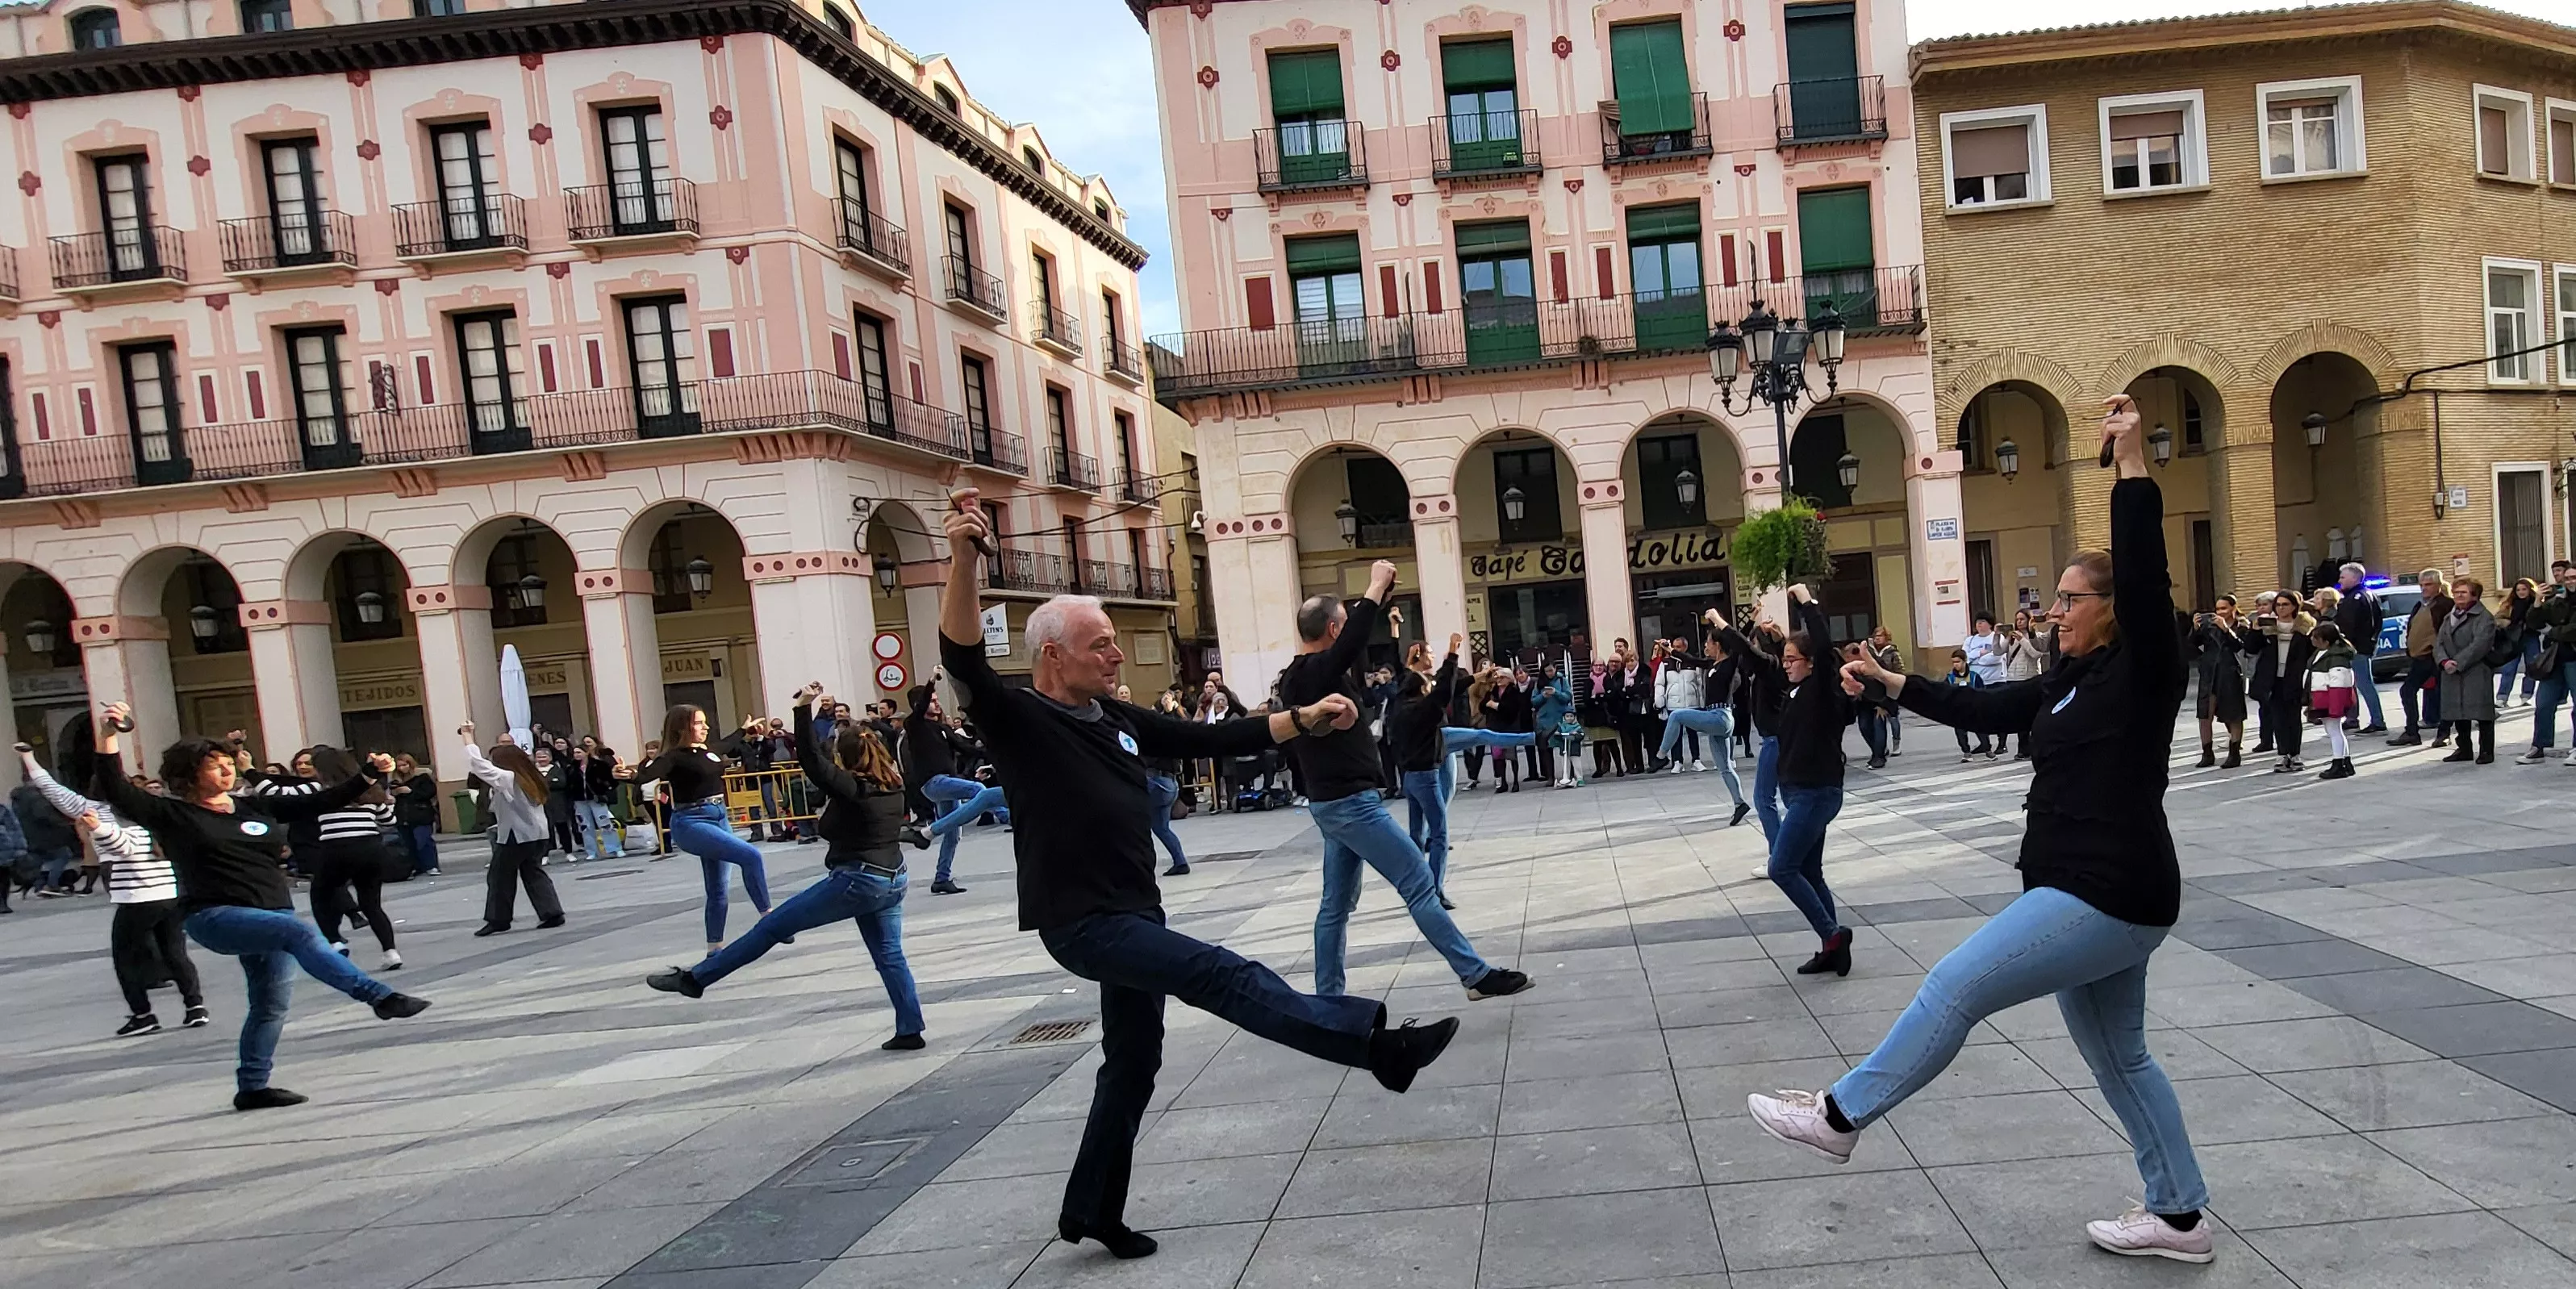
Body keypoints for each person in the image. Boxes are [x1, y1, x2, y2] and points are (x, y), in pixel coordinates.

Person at [933, 491, 1463, 1260]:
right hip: (1082, 922)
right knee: (1219, 974)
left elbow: (1204, 740)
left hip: (1132, 915)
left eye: (1115, 644)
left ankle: (1091, 1210)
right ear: (1053, 654)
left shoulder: (1116, 718)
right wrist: (961, 558)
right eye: (1103, 644)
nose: (1118, 657)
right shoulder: (1020, 719)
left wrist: (1305, 720)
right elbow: (960, 659)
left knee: (1133, 1063)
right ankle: (1376, 1047)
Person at [1756, 396, 2215, 1266]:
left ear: (2111, 608)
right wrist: (1888, 683)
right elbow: (1980, 704)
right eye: (2054, 602)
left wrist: (2130, 464)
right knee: (2122, 1058)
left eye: (2071, 600)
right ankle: (2179, 1216)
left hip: (2106, 889)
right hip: (2096, 888)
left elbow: (2149, 577)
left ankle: (1837, 1115)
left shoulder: (2146, 668)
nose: (2053, 612)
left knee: (1955, 984)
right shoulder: (2065, 679)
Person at [88, 701, 428, 1111]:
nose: (226, 770)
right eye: (214, 765)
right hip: (214, 916)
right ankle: (379, 998)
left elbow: (319, 802)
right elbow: (115, 788)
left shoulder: (254, 806)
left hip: (272, 912)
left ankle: (252, 1087)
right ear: (189, 775)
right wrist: (109, 735)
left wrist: (369, 775)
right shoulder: (171, 813)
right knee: (301, 932)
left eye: (227, 762)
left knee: (270, 1006)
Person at [1278, 561, 1531, 1001]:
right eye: (1346, 625)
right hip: (1351, 805)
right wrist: (1374, 586)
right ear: (1335, 631)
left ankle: (1329, 999)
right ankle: (1475, 975)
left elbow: (1355, 645)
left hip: (1337, 802)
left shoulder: (1309, 675)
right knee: (1418, 881)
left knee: (1335, 906)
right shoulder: (1311, 673)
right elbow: (1353, 640)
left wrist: (1383, 598)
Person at [648, 683, 925, 1049]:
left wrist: (802, 708)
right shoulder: (893, 785)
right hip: (892, 880)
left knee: (772, 926)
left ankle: (696, 980)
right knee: (890, 956)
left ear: (848, 759)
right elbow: (884, 828)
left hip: (858, 880)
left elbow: (810, 759)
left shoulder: (851, 787)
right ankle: (910, 1030)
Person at [20, 740, 207, 1033]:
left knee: (126, 958)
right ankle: (195, 1007)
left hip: (138, 895)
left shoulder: (104, 813)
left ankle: (143, 1015)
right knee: (175, 951)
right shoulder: (150, 809)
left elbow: (122, 846)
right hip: (169, 892)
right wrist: (30, 759)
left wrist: (98, 828)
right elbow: (54, 790)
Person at [1715, 584, 1854, 976]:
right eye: (1787, 658)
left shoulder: (1821, 690)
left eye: (1794, 659)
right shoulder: (1791, 690)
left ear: (1810, 663)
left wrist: (1806, 602)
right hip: (1799, 793)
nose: (1788, 663)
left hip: (1817, 792)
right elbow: (1753, 657)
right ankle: (1832, 948)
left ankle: (1832, 935)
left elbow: (1825, 647)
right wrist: (1725, 627)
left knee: (1781, 868)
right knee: (1810, 871)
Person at [620, 707, 773, 950]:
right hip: (692, 821)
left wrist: (744, 730)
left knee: (717, 889)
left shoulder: (708, 750)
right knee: (751, 856)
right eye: (699, 724)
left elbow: (727, 743)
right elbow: (646, 775)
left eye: (705, 722)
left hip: (719, 818)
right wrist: (627, 774)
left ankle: (715, 949)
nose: (706, 727)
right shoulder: (673, 757)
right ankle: (770, 919)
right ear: (682, 728)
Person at [255, 746, 402, 970]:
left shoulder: (320, 787)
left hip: (337, 847)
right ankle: (390, 952)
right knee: (371, 904)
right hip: (371, 848)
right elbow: (388, 822)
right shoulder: (371, 791)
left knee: (321, 894)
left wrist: (248, 771)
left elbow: (275, 793)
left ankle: (334, 942)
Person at [462, 726, 566, 937]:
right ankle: (551, 912)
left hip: (516, 835)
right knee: (533, 872)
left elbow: (478, 765)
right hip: (537, 834)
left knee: (500, 876)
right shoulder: (530, 776)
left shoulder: (508, 778)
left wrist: (467, 737)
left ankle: (498, 919)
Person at [1392, 635, 1472, 910]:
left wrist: (1397, 639)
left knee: (1417, 835)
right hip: (1426, 776)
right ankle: (1434, 891)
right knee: (1439, 836)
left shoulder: (1401, 702)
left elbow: (1409, 678)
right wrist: (1452, 654)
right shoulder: (1425, 707)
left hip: (1410, 778)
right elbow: (1441, 695)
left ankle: (1415, 886)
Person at [2245, 591, 2316, 774]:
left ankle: (2296, 754)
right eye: (2278, 605)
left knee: (2294, 717)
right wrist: (2254, 630)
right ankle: (2282, 753)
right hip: (2273, 678)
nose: (2281, 608)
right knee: (2277, 717)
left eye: (2285, 604)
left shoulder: (2305, 627)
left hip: (2294, 677)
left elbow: (2311, 652)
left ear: (2295, 606)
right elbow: (2251, 648)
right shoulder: (2268, 626)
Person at [2433, 577, 2498, 765]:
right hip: (2450, 671)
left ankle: (2486, 750)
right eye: (2456, 592)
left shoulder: (2484, 617)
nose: (2458, 596)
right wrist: (2444, 661)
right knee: (2457, 712)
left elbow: (2480, 644)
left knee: (2481, 711)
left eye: (2463, 592)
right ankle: (2464, 749)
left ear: (2474, 595)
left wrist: (2458, 662)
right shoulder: (2449, 616)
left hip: (2476, 669)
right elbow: (2439, 642)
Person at [2517, 560, 2576, 765]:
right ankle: (2539, 747)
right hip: (2555, 659)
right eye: (2567, 578)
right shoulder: (2558, 600)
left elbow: (2572, 630)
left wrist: (2553, 632)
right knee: (2543, 703)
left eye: (2573, 578)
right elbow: (2534, 622)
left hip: (2574, 659)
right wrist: (2538, 602)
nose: (2569, 582)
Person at [2187, 595, 2250, 768]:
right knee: (2205, 713)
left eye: (2224, 608)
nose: (2220, 612)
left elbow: (2240, 646)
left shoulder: (2241, 625)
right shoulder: (2209, 626)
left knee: (2234, 714)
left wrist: (2226, 629)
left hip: (2230, 671)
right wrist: (2195, 628)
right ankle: (2207, 753)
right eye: (2218, 609)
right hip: (2209, 672)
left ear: (2233, 608)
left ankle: (2234, 752)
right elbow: (2191, 646)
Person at [2389, 569, 2449, 746]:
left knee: (2442, 695)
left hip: (2436, 658)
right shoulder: (2420, 605)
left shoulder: (2445, 605)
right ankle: (2411, 732)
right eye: (2422, 585)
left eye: (2428, 585)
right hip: (2420, 658)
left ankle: (2444, 733)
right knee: (2407, 691)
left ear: (2438, 585)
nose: (2424, 588)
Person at [2328, 563, 2388, 732]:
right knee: (2355, 684)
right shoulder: (2369, 595)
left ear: (2354, 578)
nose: (2340, 581)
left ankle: (2377, 721)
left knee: (2364, 684)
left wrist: (2342, 643)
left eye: (2343, 577)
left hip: (2355, 648)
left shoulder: (2354, 599)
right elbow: (2379, 621)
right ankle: (2353, 718)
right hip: (2364, 646)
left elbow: (2347, 626)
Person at [2307, 623, 2360, 780]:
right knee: (2335, 730)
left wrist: (2336, 707)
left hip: (2329, 699)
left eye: (2315, 638)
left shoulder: (2336, 658)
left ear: (2326, 641)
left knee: (2334, 731)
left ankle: (2339, 763)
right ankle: (2345, 761)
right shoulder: (2325, 653)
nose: (2312, 640)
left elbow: (2339, 684)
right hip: (2323, 697)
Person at [389, 753, 440, 876]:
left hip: (421, 814)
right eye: (399, 766)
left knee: (423, 840)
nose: (402, 768)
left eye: (405, 765)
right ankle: (415, 867)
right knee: (408, 843)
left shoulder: (422, 777)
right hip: (403, 814)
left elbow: (429, 792)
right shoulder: (396, 780)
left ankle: (431, 865)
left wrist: (411, 792)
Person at [2495, 577, 2542, 707]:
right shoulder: (2509, 604)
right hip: (2513, 638)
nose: (2521, 592)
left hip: (2531, 637)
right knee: (2509, 668)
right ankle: (2502, 697)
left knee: (2532, 668)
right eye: (2518, 590)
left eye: (2524, 589)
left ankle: (2526, 696)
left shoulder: (2536, 603)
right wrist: (2507, 623)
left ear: (2530, 590)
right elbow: (2498, 618)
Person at [1530, 662, 1572, 786]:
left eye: (1551, 670)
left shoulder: (1562, 680)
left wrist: (1556, 693)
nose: (1549, 673)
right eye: (1547, 671)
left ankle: (1570, 773)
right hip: (1544, 720)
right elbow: (1533, 701)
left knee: (1566, 748)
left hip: (1560, 718)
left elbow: (1568, 697)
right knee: (1546, 749)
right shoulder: (1539, 682)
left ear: (1555, 668)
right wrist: (1543, 696)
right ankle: (1550, 776)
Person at [1939, 650, 1985, 758]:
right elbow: (1945, 693)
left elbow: (1982, 692)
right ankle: (1966, 751)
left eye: (1958, 662)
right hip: (1958, 711)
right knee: (1960, 733)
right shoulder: (1950, 678)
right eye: (1953, 662)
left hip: (1974, 710)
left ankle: (1987, 748)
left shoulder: (1974, 676)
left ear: (1965, 661)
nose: (1956, 664)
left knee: (1981, 730)